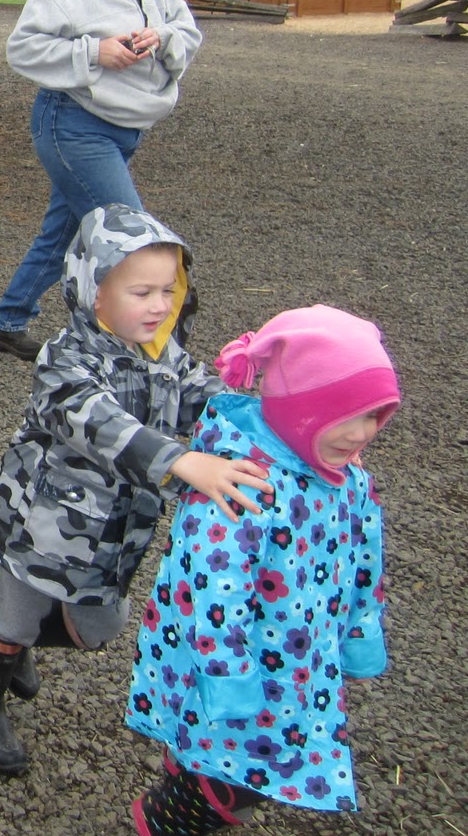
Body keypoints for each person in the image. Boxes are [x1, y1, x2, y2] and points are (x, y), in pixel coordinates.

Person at [0, 204, 272, 777]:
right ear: (93, 291)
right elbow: (98, 422)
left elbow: (205, 395)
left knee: (100, 626)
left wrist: (261, 412)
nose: (158, 305)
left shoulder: (165, 355)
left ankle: (19, 647)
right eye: (141, 292)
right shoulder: (65, 359)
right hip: (38, 525)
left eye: (167, 290)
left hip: (115, 531)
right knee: (8, 616)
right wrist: (181, 461)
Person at [125, 306, 399, 832]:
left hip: (298, 665)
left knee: (241, 761)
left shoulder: (348, 480)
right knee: (235, 782)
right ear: (300, 410)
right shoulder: (244, 485)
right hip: (234, 668)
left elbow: (365, 562)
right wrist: (229, 679)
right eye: (343, 414)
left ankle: (187, 773)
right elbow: (212, 595)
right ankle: (163, 819)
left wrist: (358, 636)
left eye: (374, 415)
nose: (361, 433)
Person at [0, 0, 204, 362]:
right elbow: (22, 49)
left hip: (126, 126)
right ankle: (149, 346)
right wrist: (95, 51)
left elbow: (187, 33)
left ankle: (9, 320)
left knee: (63, 231)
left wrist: (162, 36)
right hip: (73, 124)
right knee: (133, 238)